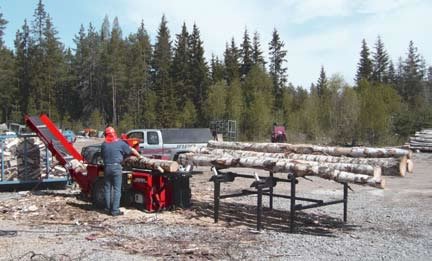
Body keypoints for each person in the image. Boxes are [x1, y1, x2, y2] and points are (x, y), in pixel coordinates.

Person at [101, 126, 142, 216]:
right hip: (116, 168)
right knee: (117, 189)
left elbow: (103, 156)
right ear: (114, 134)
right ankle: (115, 211)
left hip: (107, 167)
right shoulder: (120, 143)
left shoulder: (104, 144)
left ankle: (107, 209)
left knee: (107, 189)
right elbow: (131, 150)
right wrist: (140, 157)